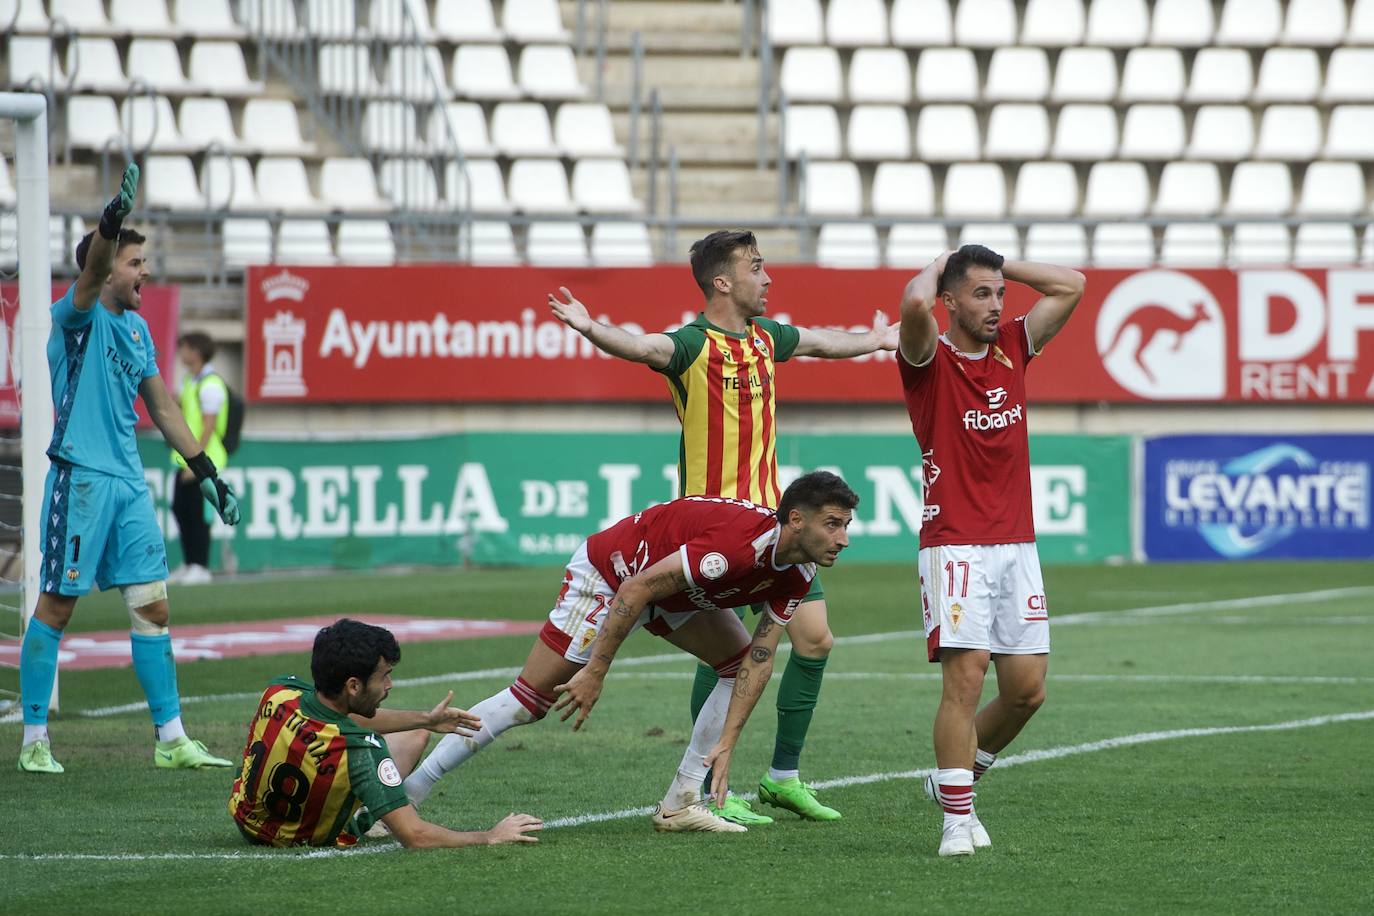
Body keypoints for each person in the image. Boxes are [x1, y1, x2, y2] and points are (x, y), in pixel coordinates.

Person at [545, 229, 895, 825]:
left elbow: (822, 343)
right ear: (724, 281)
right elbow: (639, 348)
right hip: (713, 529)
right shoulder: (691, 345)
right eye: (758, 267)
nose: (769, 277)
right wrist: (588, 326)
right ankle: (706, 787)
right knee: (732, 654)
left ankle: (778, 777)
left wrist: (877, 340)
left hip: (779, 529)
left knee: (812, 641)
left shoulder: (766, 338)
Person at [403, 471, 859, 833]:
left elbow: (761, 657)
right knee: (530, 701)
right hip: (612, 573)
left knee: (734, 663)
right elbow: (636, 587)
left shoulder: (796, 573)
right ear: (796, 520)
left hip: (668, 592)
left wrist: (729, 742)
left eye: (846, 526)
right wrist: (596, 670)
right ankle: (410, 795)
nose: (842, 539)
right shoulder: (734, 551)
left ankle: (680, 804)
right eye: (833, 524)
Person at [18, 164, 242, 774]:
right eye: (135, 263)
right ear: (109, 264)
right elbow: (91, 271)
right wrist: (110, 223)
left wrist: (208, 472)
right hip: (80, 477)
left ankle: (170, 737)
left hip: (126, 481)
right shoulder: (77, 315)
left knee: (154, 604)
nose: (145, 273)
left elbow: (164, 407)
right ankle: (34, 738)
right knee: (58, 605)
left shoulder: (139, 330)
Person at [895, 245, 1085, 857]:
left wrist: (1002, 264)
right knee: (967, 677)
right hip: (955, 543)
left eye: (999, 293)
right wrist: (945, 261)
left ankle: (953, 782)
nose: (996, 305)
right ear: (950, 300)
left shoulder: (1013, 345)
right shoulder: (927, 357)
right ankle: (956, 820)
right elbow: (915, 302)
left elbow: (1071, 286)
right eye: (981, 294)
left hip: (1016, 543)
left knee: (1028, 689)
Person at [229, 618, 543, 849]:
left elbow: (337, 720)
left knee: (415, 734)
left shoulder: (280, 690)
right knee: (389, 782)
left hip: (247, 820)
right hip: (297, 838)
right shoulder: (363, 752)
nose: (389, 686)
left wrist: (425, 720)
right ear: (353, 685)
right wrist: (489, 836)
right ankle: (375, 814)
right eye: (385, 677)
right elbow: (414, 836)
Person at [169, 331, 229, 585]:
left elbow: (208, 426)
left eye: (185, 348)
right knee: (181, 510)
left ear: (197, 351)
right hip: (185, 459)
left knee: (198, 513)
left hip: (204, 461)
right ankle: (190, 562)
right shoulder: (190, 381)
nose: (181, 353)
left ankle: (201, 566)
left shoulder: (211, 384)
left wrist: (198, 462)